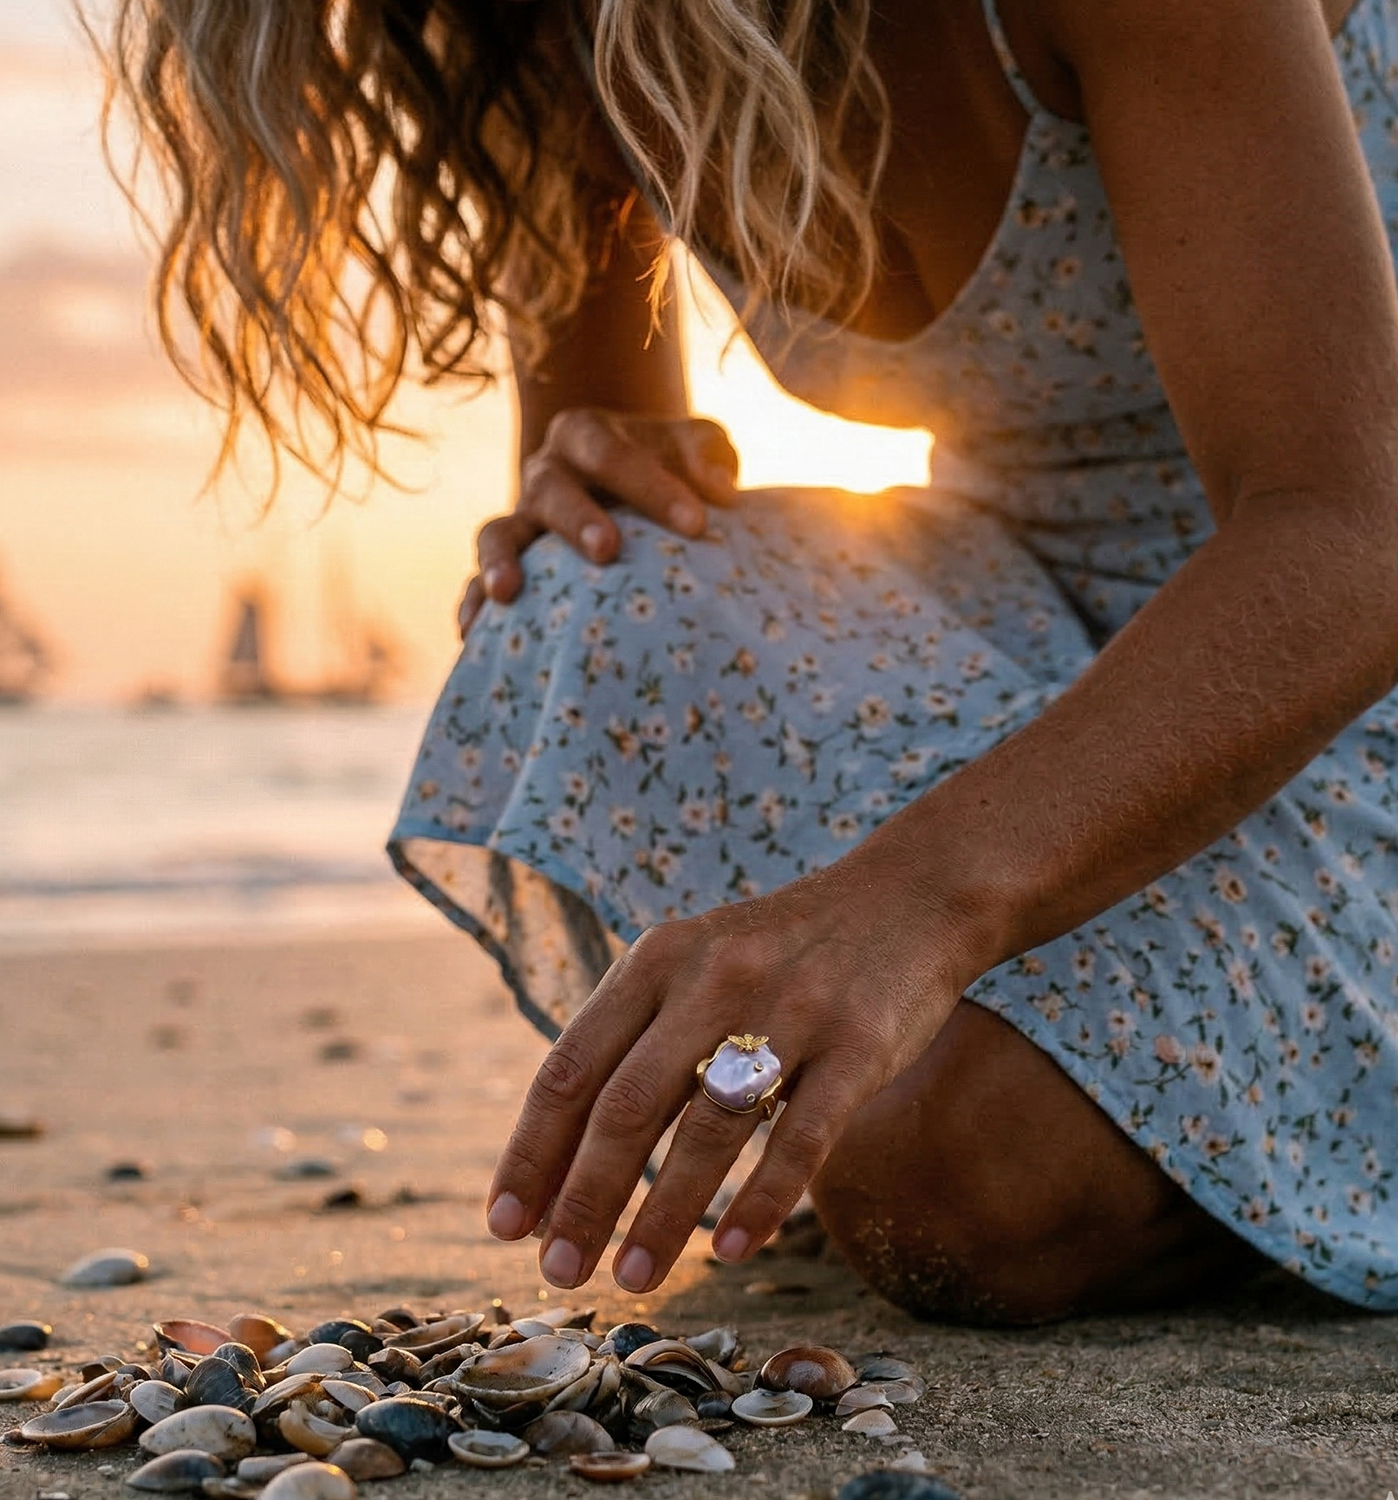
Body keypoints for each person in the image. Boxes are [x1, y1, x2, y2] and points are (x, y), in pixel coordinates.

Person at [109, 0, 1398, 1324]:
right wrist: (591, 478)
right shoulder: (570, 34)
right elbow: (604, 476)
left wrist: (908, 901)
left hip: (1325, 639)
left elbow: (1356, 536)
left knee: (952, 1177)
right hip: (1010, 606)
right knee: (597, 581)